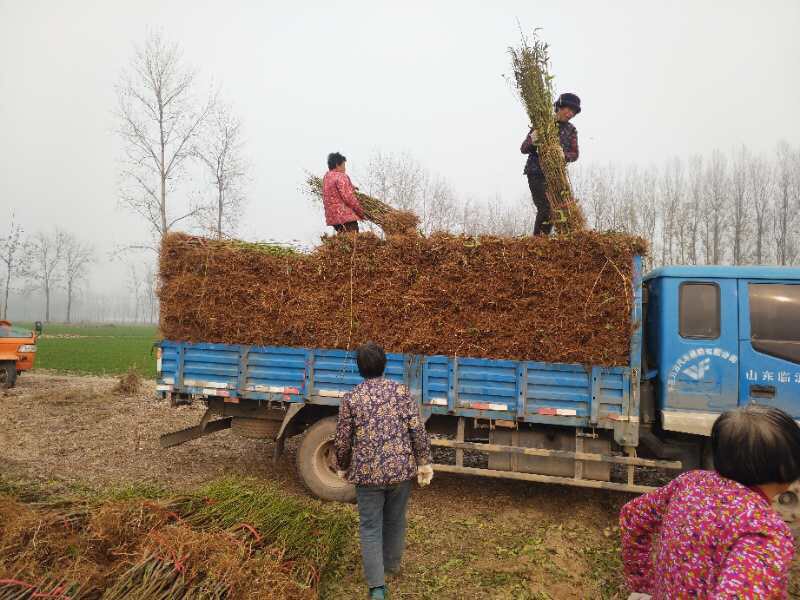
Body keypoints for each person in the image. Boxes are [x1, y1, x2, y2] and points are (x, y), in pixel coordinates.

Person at [620, 404, 800, 599]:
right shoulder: (763, 532)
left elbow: (632, 516)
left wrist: (643, 581)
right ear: (785, 466)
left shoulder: (691, 482)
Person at [334, 342, 433, 600]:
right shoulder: (401, 393)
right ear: (384, 364)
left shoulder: (352, 398)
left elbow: (343, 440)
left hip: (367, 477)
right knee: (395, 520)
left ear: (359, 368)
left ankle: (377, 587)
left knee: (369, 526)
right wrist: (424, 462)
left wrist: (343, 467)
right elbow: (417, 430)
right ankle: (391, 566)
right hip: (400, 472)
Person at [520, 92, 580, 235]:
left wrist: (563, 156)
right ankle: (538, 242)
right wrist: (533, 140)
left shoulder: (571, 130)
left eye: (573, 112)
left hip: (555, 175)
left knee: (559, 208)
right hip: (536, 172)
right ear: (559, 107)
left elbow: (575, 154)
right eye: (568, 109)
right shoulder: (542, 123)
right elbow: (523, 148)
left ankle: (549, 240)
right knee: (546, 207)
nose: (570, 114)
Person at [322, 152, 365, 233]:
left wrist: (350, 187)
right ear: (337, 165)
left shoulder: (326, 177)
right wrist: (360, 212)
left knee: (344, 239)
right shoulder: (341, 176)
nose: (345, 169)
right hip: (345, 216)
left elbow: (334, 191)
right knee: (354, 241)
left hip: (333, 218)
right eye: (344, 165)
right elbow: (349, 198)